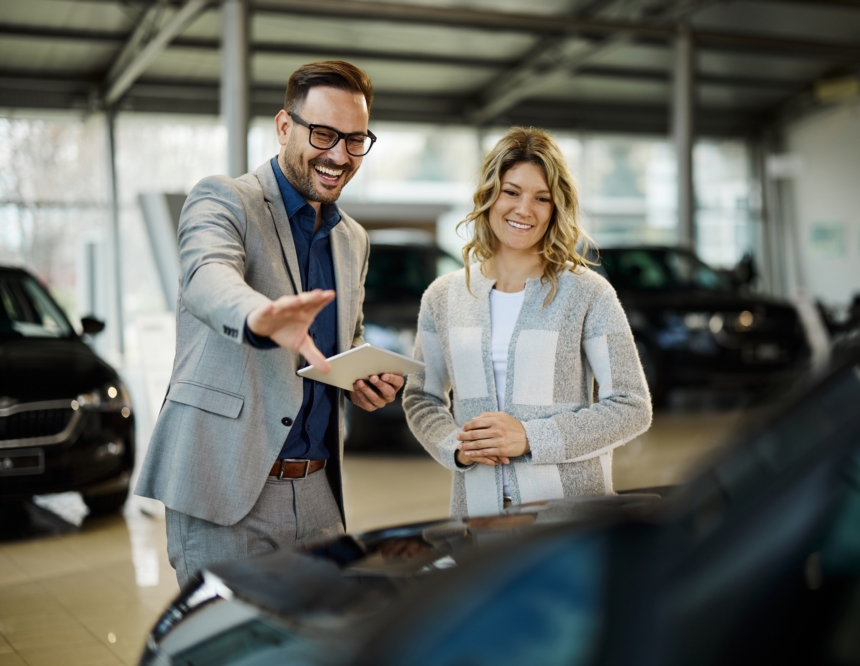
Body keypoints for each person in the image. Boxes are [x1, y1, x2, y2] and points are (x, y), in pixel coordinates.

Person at [135, 61, 403, 587]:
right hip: (226, 489)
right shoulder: (224, 199)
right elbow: (207, 277)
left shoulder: (353, 239)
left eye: (355, 140)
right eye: (323, 134)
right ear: (284, 127)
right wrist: (259, 316)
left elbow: (342, 342)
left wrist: (362, 380)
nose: (339, 155)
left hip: (321, 492)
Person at [402, 127, 652, 517]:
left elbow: (632, 406)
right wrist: (456, 447)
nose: (524, 209)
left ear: (556, 208)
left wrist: (531, 437)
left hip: (569, 515)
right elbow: (421, 398)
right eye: (511, 191)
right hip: (477, 514)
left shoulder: (588, 294)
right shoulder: (443, 296)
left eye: (542, 198)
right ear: (488, 195)